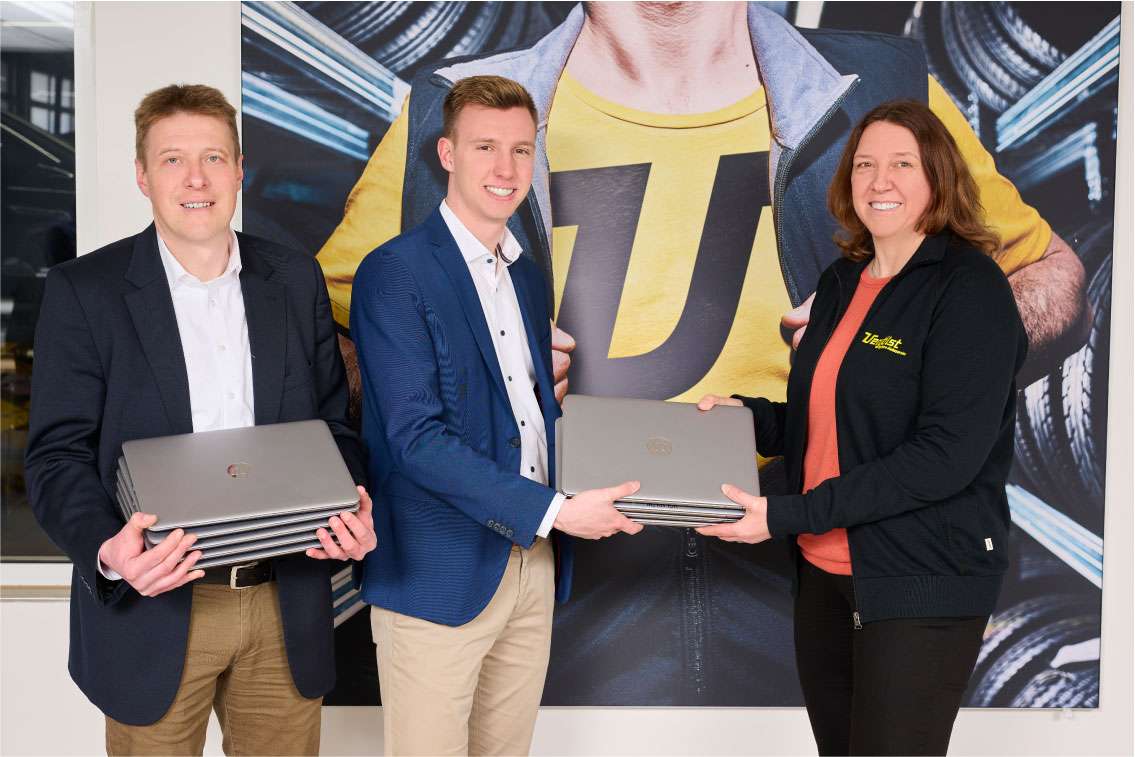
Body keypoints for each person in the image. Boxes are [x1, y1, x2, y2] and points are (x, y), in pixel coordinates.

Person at [314, 2, 1085, 704]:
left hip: (813, 557)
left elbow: (1052, 278)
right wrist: (468, 355)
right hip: (546, 565)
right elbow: (325, 349)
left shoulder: (882, 87)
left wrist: (900, 342)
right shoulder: (451, 110)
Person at [24, 84, 378, 755]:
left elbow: (333, 428)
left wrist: (350, 503)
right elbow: (56, 456)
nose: (195, 178)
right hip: (154, 604)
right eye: (172, 159)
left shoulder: (294, 278)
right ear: (142, 175)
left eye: (213, 157)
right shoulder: (85, 291)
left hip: (285, 598)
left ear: (240, 169)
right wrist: (107, 547)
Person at [696, 99, 1027, 755]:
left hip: (919, 582)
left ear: (937, 176)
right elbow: (832, 419)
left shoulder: (970, 290)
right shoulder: (844, 281)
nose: (880, 181)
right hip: (822, 572)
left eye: (902, 164)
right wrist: (752, 420)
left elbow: (943, 457)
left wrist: (786, 513)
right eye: (865, 165)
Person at [349, 75, 641, 755]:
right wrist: (557, 511)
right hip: (437, 569)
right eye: (485, 147)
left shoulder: (526, 276)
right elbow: (415, 439)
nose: (505, 168)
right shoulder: (394, 272)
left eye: (520, 149)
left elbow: (525, 416)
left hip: (531, 562)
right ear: (447, 153)